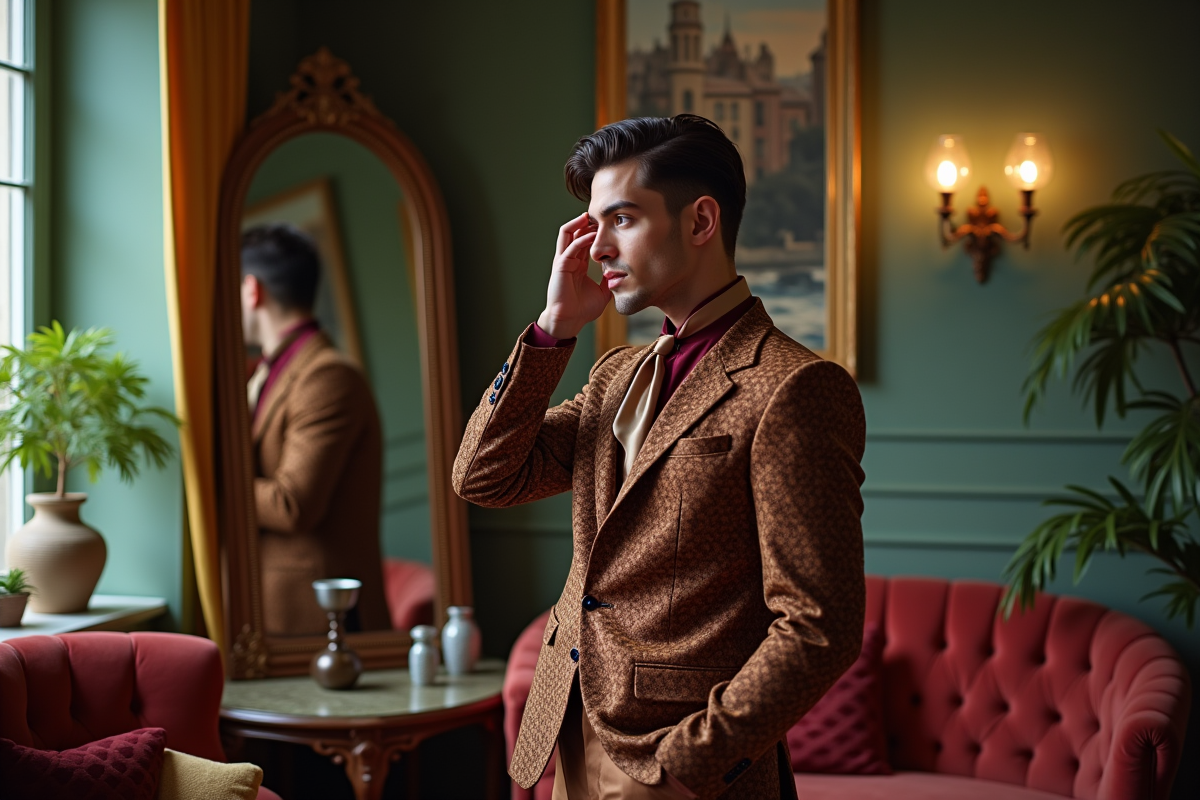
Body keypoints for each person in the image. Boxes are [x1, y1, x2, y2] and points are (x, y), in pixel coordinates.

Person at [453, 115, 867, 800]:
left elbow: (820, 626)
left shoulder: (794, 387)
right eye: (591, 224)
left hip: (686, 767)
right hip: (572, 738)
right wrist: (553, 331)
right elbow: (484, 477)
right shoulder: (615, 375)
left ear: (701, 220)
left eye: (621, 220)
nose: (598, 248)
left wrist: (691, 764)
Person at [241, 223, 389, 636]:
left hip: (319, 623)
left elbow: (293, 504)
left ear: (252, 290)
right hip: (274, 613)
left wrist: (213, 486)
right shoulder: (265, 373)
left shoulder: (327, 376)